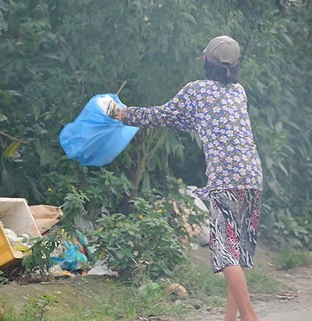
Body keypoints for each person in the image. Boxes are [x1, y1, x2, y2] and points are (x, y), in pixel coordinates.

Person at [109, 35, 263, 321]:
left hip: (226, 179)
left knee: (226, 253)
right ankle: (231, 317)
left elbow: (163, 115)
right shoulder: (239, 92)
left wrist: (124, 114)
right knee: (237, 254)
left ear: (206, 60)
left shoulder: (197, 91)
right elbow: (194, 121)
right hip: (253, 176)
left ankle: (250, 316)